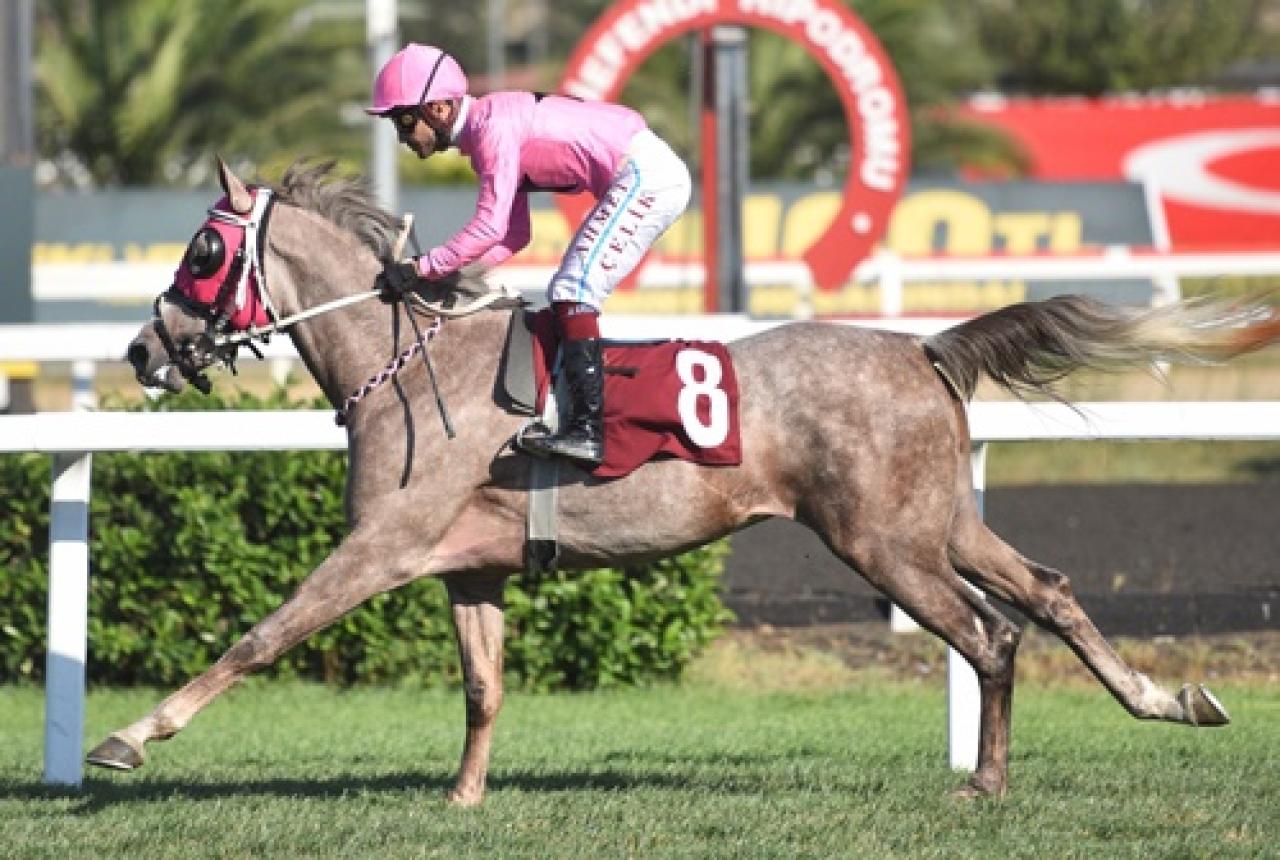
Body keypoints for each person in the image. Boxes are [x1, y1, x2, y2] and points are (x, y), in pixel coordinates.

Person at [368, 43, 692, 469]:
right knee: (570, 288)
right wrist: (450, 278)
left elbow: (488, 227)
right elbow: (514, 233)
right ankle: (576, 416)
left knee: (573, 288)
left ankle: (588, 431)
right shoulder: (488, 130)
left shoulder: (493, 129)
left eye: (405, 120)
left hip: (647, 177)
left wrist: (421, 268)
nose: (402, 136)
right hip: (640, 175)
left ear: (440, 108)